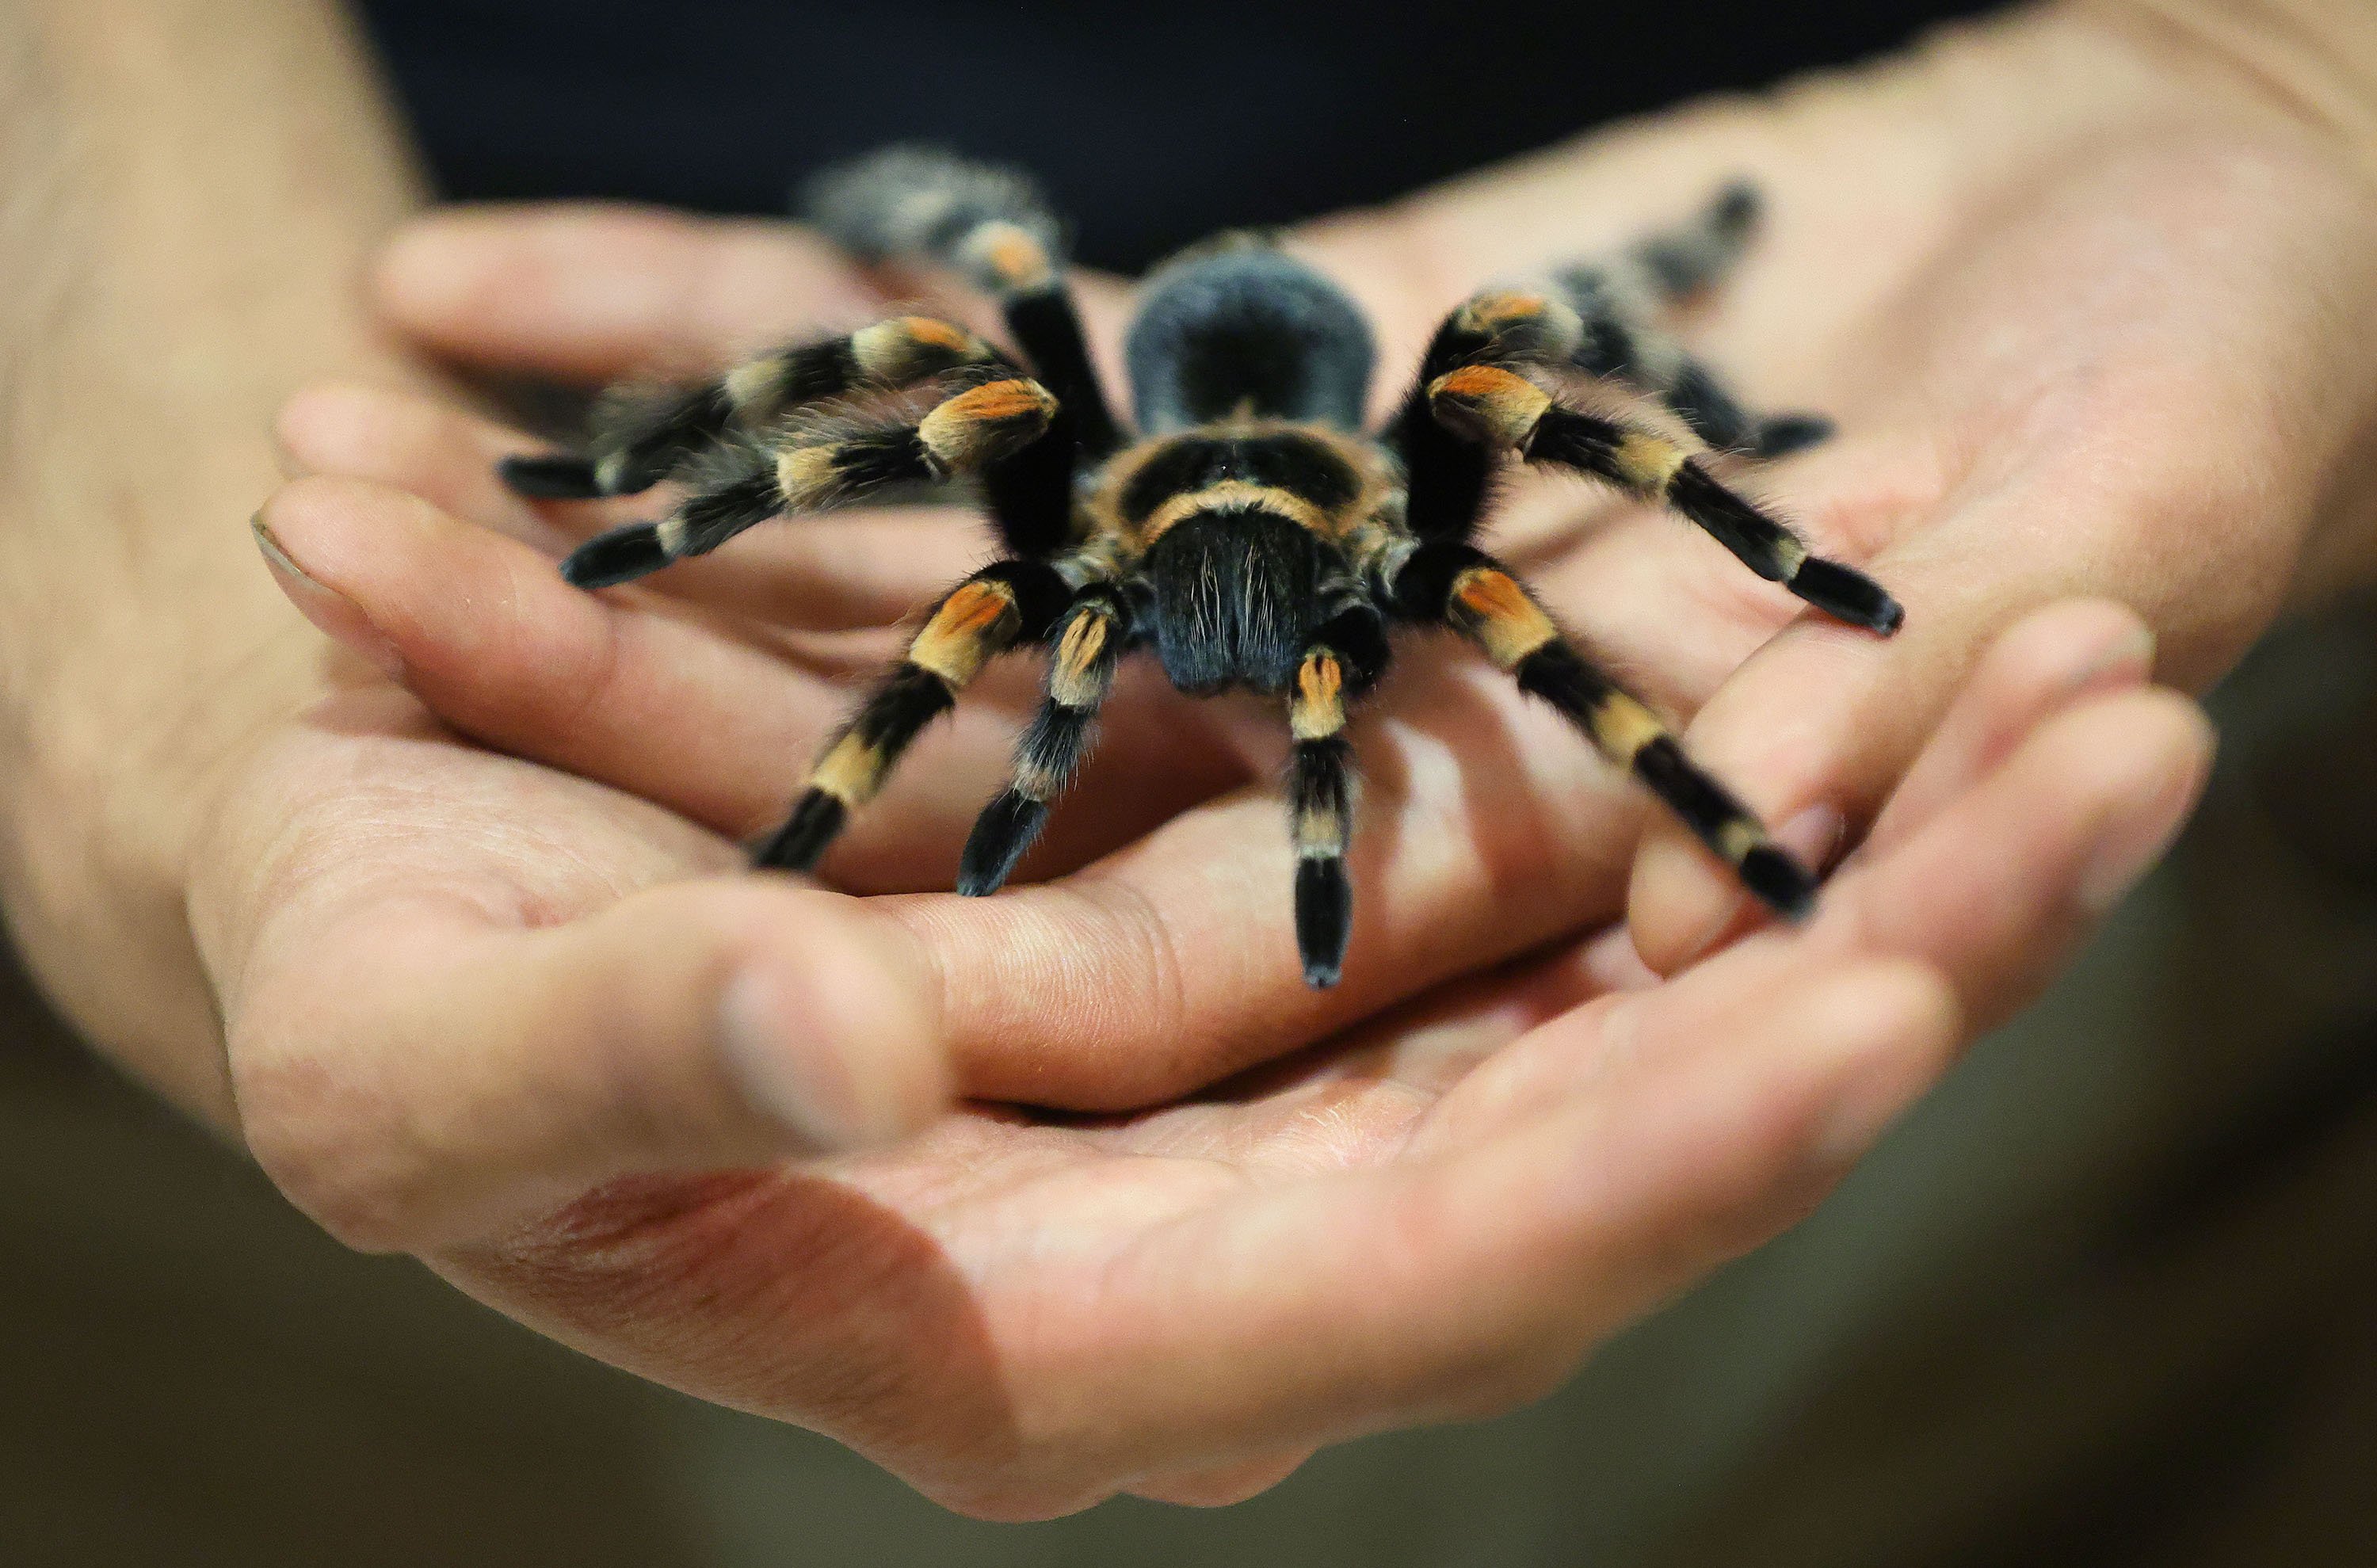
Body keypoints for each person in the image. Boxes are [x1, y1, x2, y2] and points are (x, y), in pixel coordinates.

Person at [2, 0, 2370, 1522]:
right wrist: (647, 527)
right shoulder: (1064, 504)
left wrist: (2293, 68)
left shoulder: (1413, 515)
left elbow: (1551, 427)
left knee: (1542, 400)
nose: (1250, 654)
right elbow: (891, 447)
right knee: (954, 351)